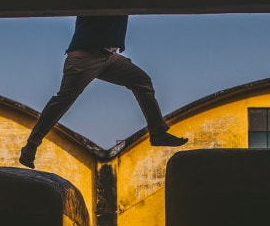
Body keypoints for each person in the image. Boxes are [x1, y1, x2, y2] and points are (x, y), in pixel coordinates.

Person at [19, 15, 187, 168]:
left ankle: (157, 132)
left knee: (142, 81)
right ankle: (31, 146)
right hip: (84, 56)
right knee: (63, 100)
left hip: (109, 56)